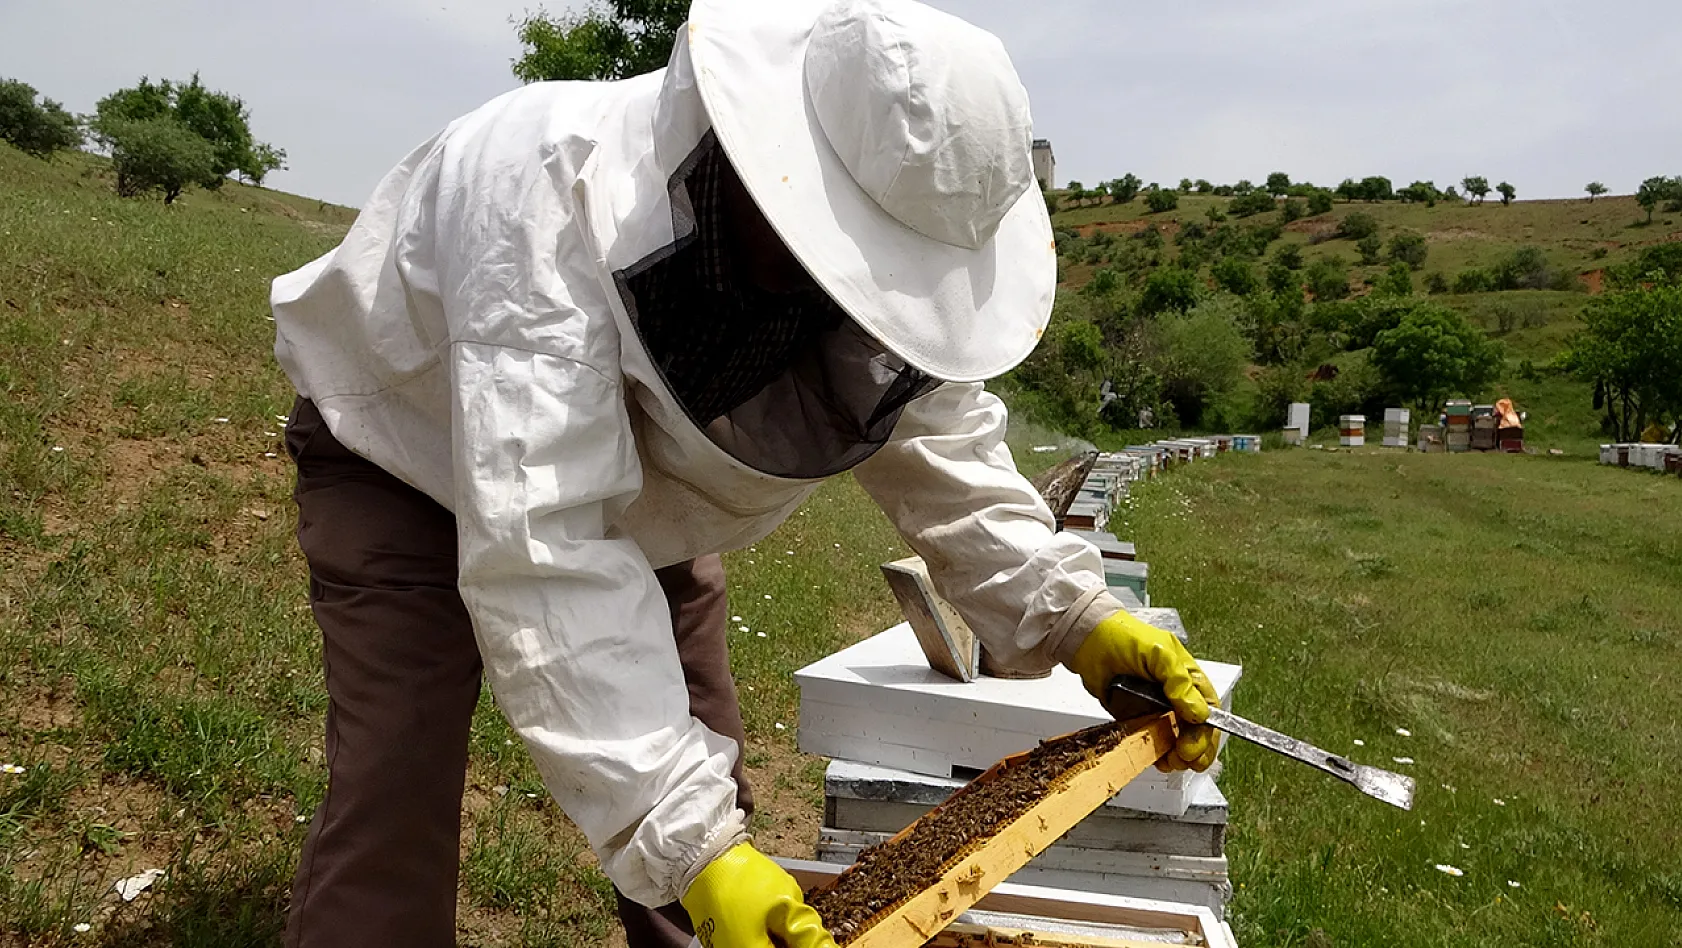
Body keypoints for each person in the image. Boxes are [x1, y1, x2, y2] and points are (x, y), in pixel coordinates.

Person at [268, 1, 1221, 946]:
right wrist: (687, 847)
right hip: (402, 449)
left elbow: (934, 436)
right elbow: (542, 541)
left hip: (638, 496)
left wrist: (1073, 615)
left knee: (703, 768)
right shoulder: (540, 190)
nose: (849, 301)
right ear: (763, 163)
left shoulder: (826, 259)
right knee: (398, 775)